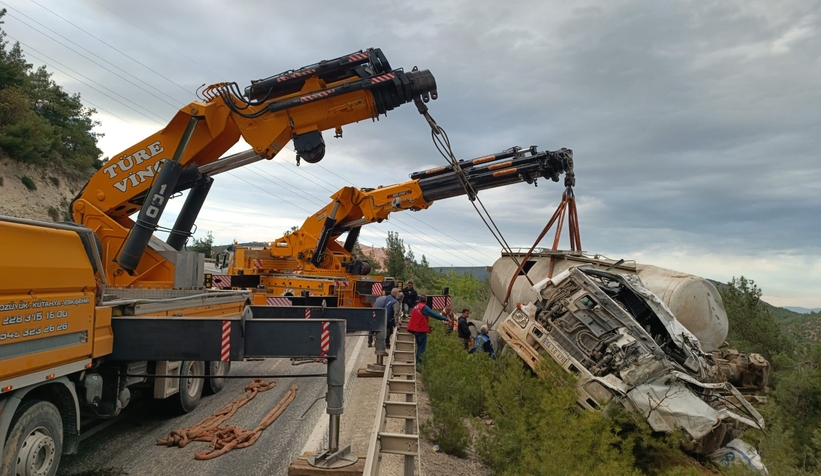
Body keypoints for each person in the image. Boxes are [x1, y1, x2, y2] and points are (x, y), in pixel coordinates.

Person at [406, 294, 449, 365]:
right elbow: (434, 314)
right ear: (426, 301)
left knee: (419, 347)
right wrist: (446, 319)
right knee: (422, 348)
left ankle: (417, 363)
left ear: (419, 300)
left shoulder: (416, 307)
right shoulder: (424, 307)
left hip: (415, 329)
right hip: (421, 330)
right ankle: (419, 364)